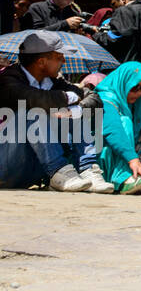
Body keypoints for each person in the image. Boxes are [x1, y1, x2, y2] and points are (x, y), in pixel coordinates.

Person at [0, 30, 108, 191]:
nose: (64, 61)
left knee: (75, 112)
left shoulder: (53, 81)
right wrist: (69, 97)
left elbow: (93, 98)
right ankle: (58, 169)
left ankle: (88, 169)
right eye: (59, 57)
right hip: (6, 165)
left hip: (33, 168)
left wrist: (76, 109)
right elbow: (36, 99)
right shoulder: (8, 80)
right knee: (33, 111)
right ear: (42, 62)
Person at [93, 60, 141, 194]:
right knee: (125, 122)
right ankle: (123, 178)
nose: (138, 93)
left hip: (130, 159)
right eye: (134, 88)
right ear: (124, 83)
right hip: (100, 157)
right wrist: (132, 159)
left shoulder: (139, 104)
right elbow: (113, 131)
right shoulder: (105, 100)